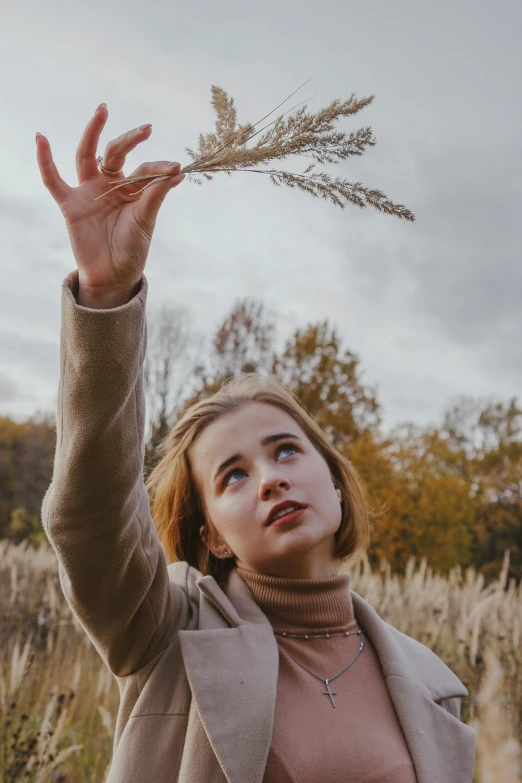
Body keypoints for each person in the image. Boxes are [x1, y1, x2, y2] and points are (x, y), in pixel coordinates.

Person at [37, 103, 478, 783]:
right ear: (210, 533)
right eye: (233, 476)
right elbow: (90, 517)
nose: (269, 477)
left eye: (286, 451)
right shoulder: (167, 633)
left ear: (333, 479)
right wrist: (106, 293)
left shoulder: (431, 682)